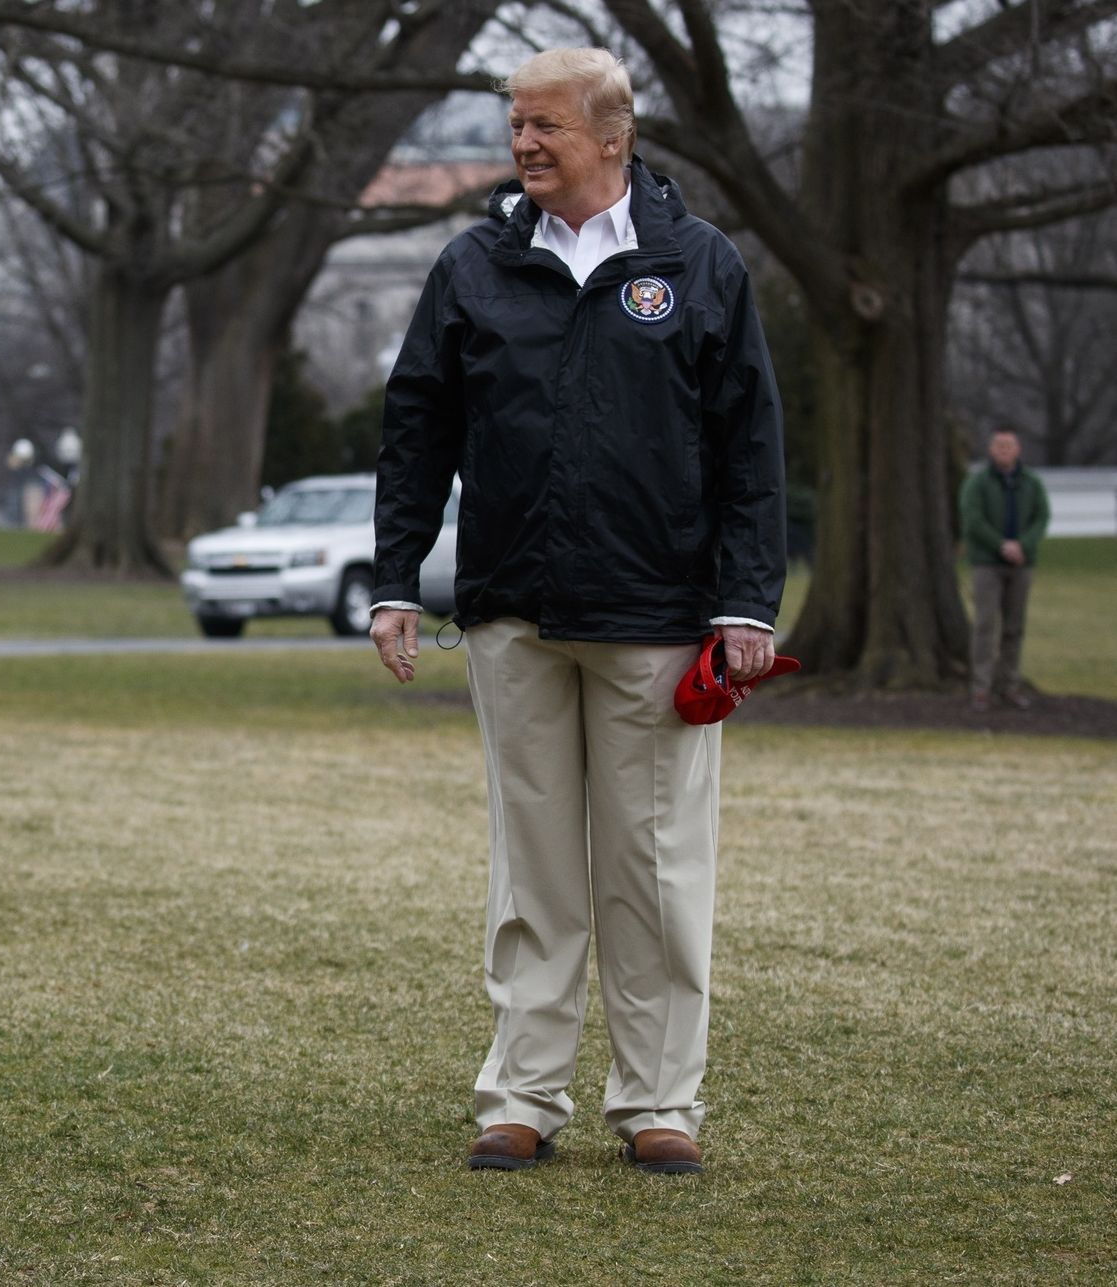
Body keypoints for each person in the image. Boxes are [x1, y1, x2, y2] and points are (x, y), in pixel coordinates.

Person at [368, 48, 786, 1178]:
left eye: (547, 125)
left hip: (660, 622)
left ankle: (661, 1104)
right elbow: (419, 427)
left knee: (652, 873)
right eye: (516, 124)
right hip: (512, 618)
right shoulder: (474, 266)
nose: (525, 143)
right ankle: (522, 1099)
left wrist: (747, 602)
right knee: (534, 872)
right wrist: (397, 577)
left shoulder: (697, 266)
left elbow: (750, 448)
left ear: (616, 137)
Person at [960, 428, 1050, 711]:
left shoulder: (1031, 483)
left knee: (1014, 627)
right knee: (986, 625)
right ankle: (981, 688)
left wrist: (1023, 545)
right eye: (999, 446)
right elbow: (973, 518)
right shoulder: (977, 483)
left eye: (1008, 446)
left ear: (1018, 449)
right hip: (987, 563)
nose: (1004, 450)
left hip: (1022, 564)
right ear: (991, 449)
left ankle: (1009, 685)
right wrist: (1000, 545)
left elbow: (1042, 516)